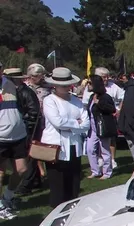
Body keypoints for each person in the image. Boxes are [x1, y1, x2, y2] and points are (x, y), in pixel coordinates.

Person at [41, 68, 90, 208]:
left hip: (74, 145)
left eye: (68, 84)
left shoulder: (76, 100)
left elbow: (86, 122)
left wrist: (73, 124)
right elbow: (57, 122)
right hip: (56, 148)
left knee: (73, 183)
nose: (66, 87)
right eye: (63, 85)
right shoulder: (49, 100)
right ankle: (57, 214)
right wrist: (76, 123)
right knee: (58, 185)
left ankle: (72, 211)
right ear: (54, 85)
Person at [17, 63, 52, 195]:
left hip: (44, 122)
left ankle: (30, 182)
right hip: (32, 123)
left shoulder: (48, 88)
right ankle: (34, 180)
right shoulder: (25, 88)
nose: (42, 77)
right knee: (32, 152)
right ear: (32, 76)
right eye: (39, 75)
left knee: (37, 151)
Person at [0, 64, 29, 219]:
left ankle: (8, 197)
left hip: (18, 135)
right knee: (1, 173)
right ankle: (0, 207)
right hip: (1, 138)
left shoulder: (10, 83)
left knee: (22, 170)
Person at [86, 75, 117, 179]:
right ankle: (95, 171)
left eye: (90, 83)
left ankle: (107, 172)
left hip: (102, 126)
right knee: (90, 149)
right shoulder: (91, 97)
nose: (88, 85)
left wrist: (99, 104)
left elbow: (112, 109)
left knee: (105, 150)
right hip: (92, 126)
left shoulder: (105, 97)